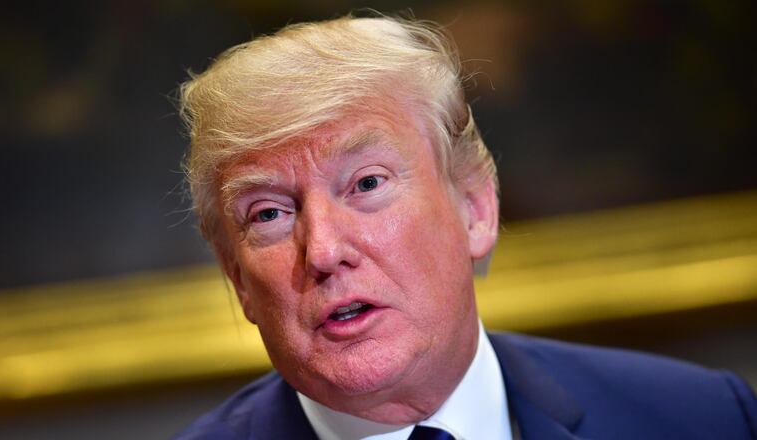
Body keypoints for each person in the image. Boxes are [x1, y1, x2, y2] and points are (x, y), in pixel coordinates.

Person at [174, 14, 757, 440]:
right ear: (238, 279)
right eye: (270, 214)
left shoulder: (703, 419)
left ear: (475, 207)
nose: (323, 251)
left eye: (367, 184)